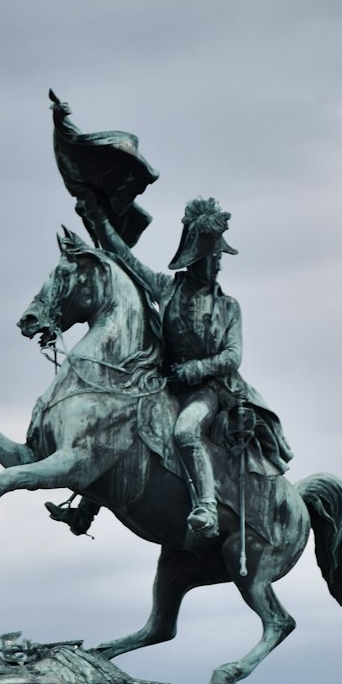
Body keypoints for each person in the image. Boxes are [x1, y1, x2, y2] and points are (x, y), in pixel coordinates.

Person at [79, 194, 292, 540]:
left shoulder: (228, 307)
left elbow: (232, 356)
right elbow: (126, 258)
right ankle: (86, 507)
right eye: (216, 256)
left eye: (220, 257)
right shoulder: (167, 289)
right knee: (115, 421)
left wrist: (195, 369)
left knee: (185, 431)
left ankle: (206, 506)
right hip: (164, 385)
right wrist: (97, 216)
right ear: (199, 259)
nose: (220, 264)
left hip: (209, 392)